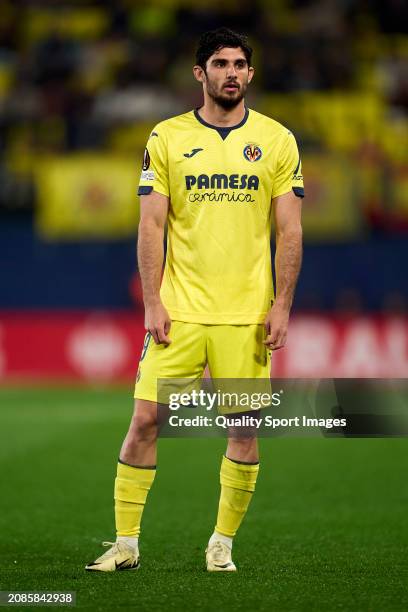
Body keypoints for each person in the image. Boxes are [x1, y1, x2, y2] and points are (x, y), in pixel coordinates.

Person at [86, 27, 304, 573]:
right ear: (199, 73)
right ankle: (126, 544)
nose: (231, 72)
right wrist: (152, 301)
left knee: (244, 428)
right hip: (178, 313)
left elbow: (291, 230)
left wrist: (281, 305)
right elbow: (151, 224)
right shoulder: (166, 137)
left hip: (246, 315)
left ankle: (222, 544)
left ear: (250, 74)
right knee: (143, 421)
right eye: (219, 63)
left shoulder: (277, 140)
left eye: (239, 64)